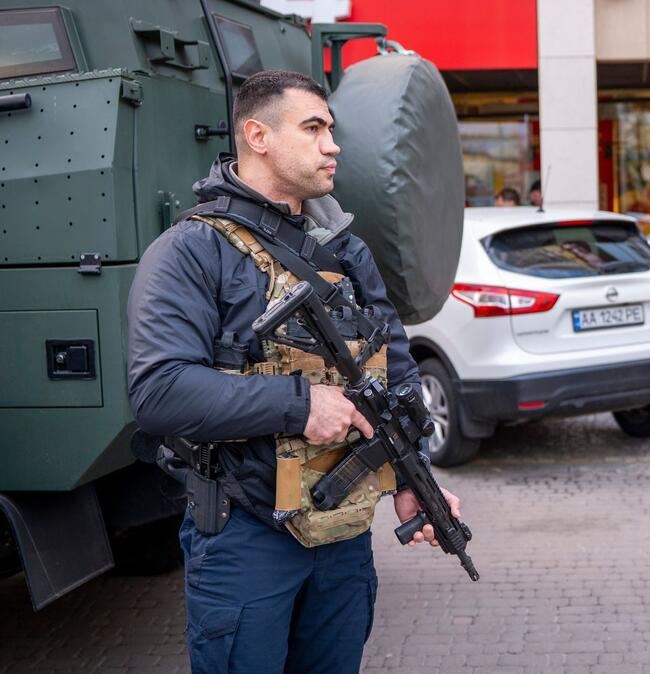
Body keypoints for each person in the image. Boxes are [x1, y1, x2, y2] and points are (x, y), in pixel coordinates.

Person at [126, 70, 461, 672]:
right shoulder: (191, 250)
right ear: (257, 135)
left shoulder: (346, 248)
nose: (332, 144)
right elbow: (159, 390)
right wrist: (301, 405)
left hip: (343, 536)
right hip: (244, 536)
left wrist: (415, 479)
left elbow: (396, 370)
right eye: (313, 128)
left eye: (331, 128)